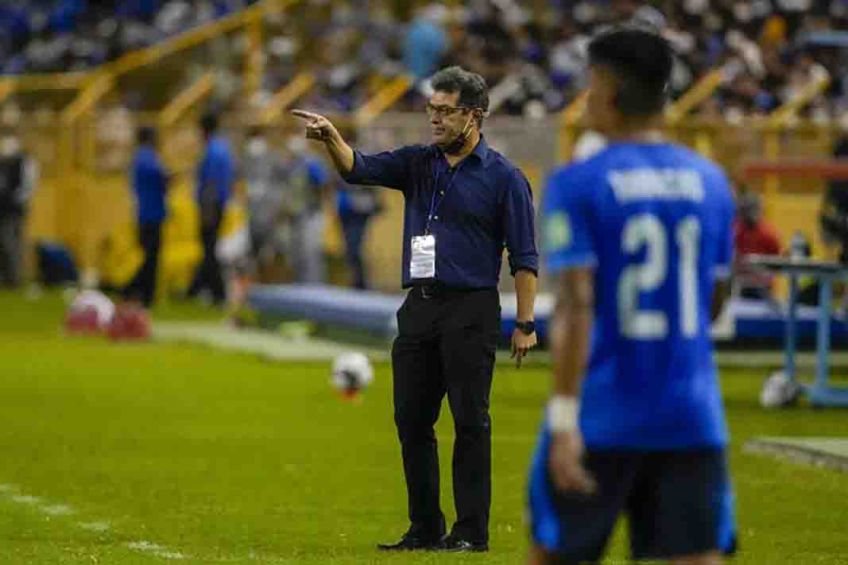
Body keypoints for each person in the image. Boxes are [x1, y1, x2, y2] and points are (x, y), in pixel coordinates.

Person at [292, 65, 539, 553]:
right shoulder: (418, 163)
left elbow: (524, 256)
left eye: (445, 112)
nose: (435, 120)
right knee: (411, 421)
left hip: (471, 308)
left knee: (470, 421)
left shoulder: (505, 178)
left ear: (474, 116)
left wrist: (525, 322)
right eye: (432, 110)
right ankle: (424, 528)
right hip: (419, 307)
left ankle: (470, 532)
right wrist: (330, 139)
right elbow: (357, 167)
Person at [530, 28, 737, 565]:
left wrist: (563, 421)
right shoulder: (712, 182)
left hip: (604, 412)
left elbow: (577, 302)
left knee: (555, 553)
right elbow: (715, 296)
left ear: (607, 88)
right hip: (690, 413)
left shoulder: (578, 183)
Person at [188, 113, 233, 305]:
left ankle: (216, 292)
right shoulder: (222, 148)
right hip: (217, 203)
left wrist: (207, 209)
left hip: (211, 205)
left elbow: (211, 183)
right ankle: (202, 289)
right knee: (209, 248)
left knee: (209, 249)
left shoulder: (212, 151)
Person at [123, 126, 168, 308]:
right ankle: (137, 290)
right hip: (152, 213)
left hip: (143, 212)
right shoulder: (148, 157)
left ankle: (137, 290)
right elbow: (161, 177)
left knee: (148, 256)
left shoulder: (136, 158)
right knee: (151, 257)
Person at [278, 135, 330, 284]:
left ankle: (315, 284)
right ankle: (300, 283)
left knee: (311, 252)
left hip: (311, 213)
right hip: (295, 215)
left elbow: (323, 184)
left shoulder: (312, 164)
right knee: (297, 253)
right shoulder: (291, 165)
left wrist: (323, 205)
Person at [0, 134, 36, 287]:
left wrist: (14, 201)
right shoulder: (7, 164)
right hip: (6, 209)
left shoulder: (23, 163)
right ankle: (8, 277)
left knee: (11, 244)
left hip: (13, 211)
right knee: (7, 244)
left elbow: (26, 188)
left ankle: (13, 279)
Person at [734, 191, 781, 299]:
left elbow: (777, 262)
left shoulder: (769, 233)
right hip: (740, 284)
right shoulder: (736, 231)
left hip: (762, 286)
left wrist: (764, 277)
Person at [336, 182, 381, 289]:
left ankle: (361, 282)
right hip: (346, 210)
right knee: (350, 249)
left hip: (359, 210)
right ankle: (357, 280)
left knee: (355, 248)